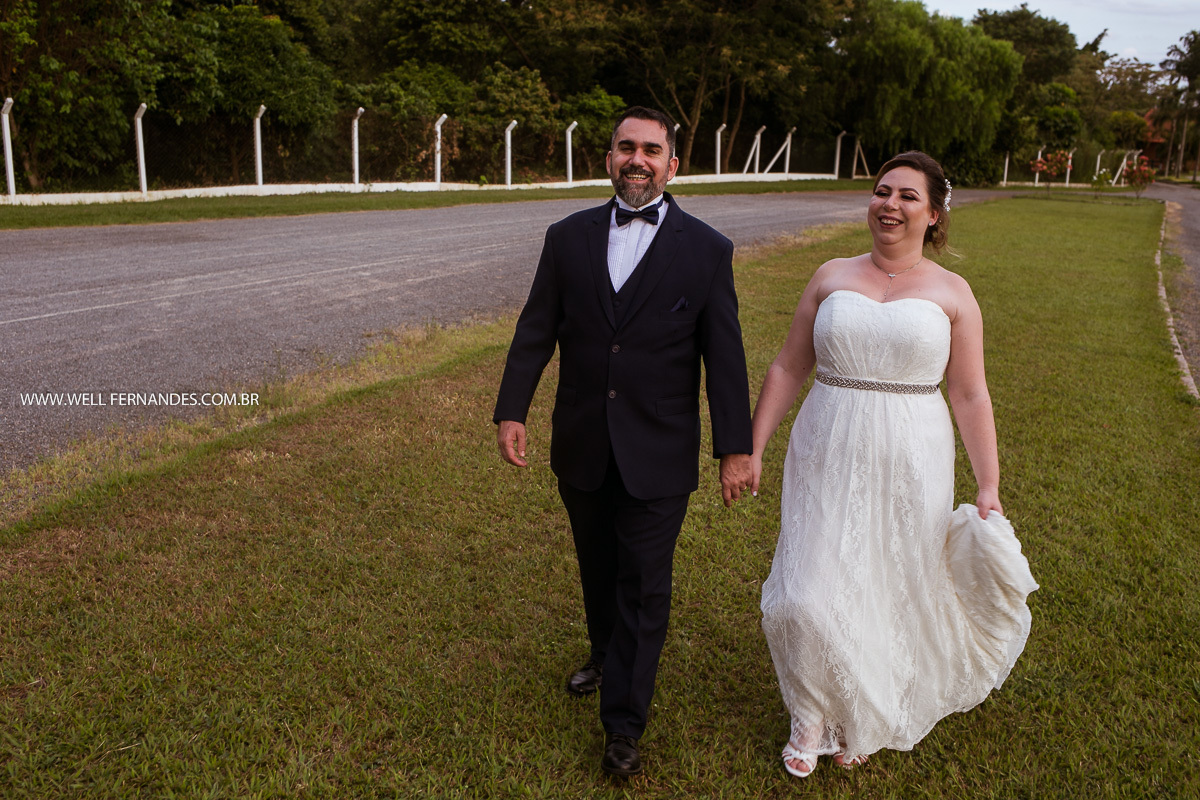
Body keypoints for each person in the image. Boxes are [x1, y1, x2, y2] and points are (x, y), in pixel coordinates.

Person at [747, 151, 1038, 778]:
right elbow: (789, 365)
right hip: (826, 441)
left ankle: (863, 709)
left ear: (933, 214)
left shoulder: (953, 293)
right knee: (806, 586)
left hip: (912, 451)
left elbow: (969, 393)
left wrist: (989, 483)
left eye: (908, 196)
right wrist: (756, 446)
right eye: (882, 191)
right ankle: (809, 712)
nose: (890, 204)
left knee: (890, 578)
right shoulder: (830, 275)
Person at [493, 106, 755, 778]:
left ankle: (624, 725)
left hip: (660, 449)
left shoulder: (707, 250)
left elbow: (723, 359)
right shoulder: (566, 237)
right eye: (624, 148)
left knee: (644, 581)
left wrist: (734, 446)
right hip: (581, 440)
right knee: (598, 564)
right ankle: (606, 653)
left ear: (674, 164)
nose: (637, 159)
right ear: (608, 158)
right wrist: (512, 408)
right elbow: (535, 329)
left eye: (651, 150)